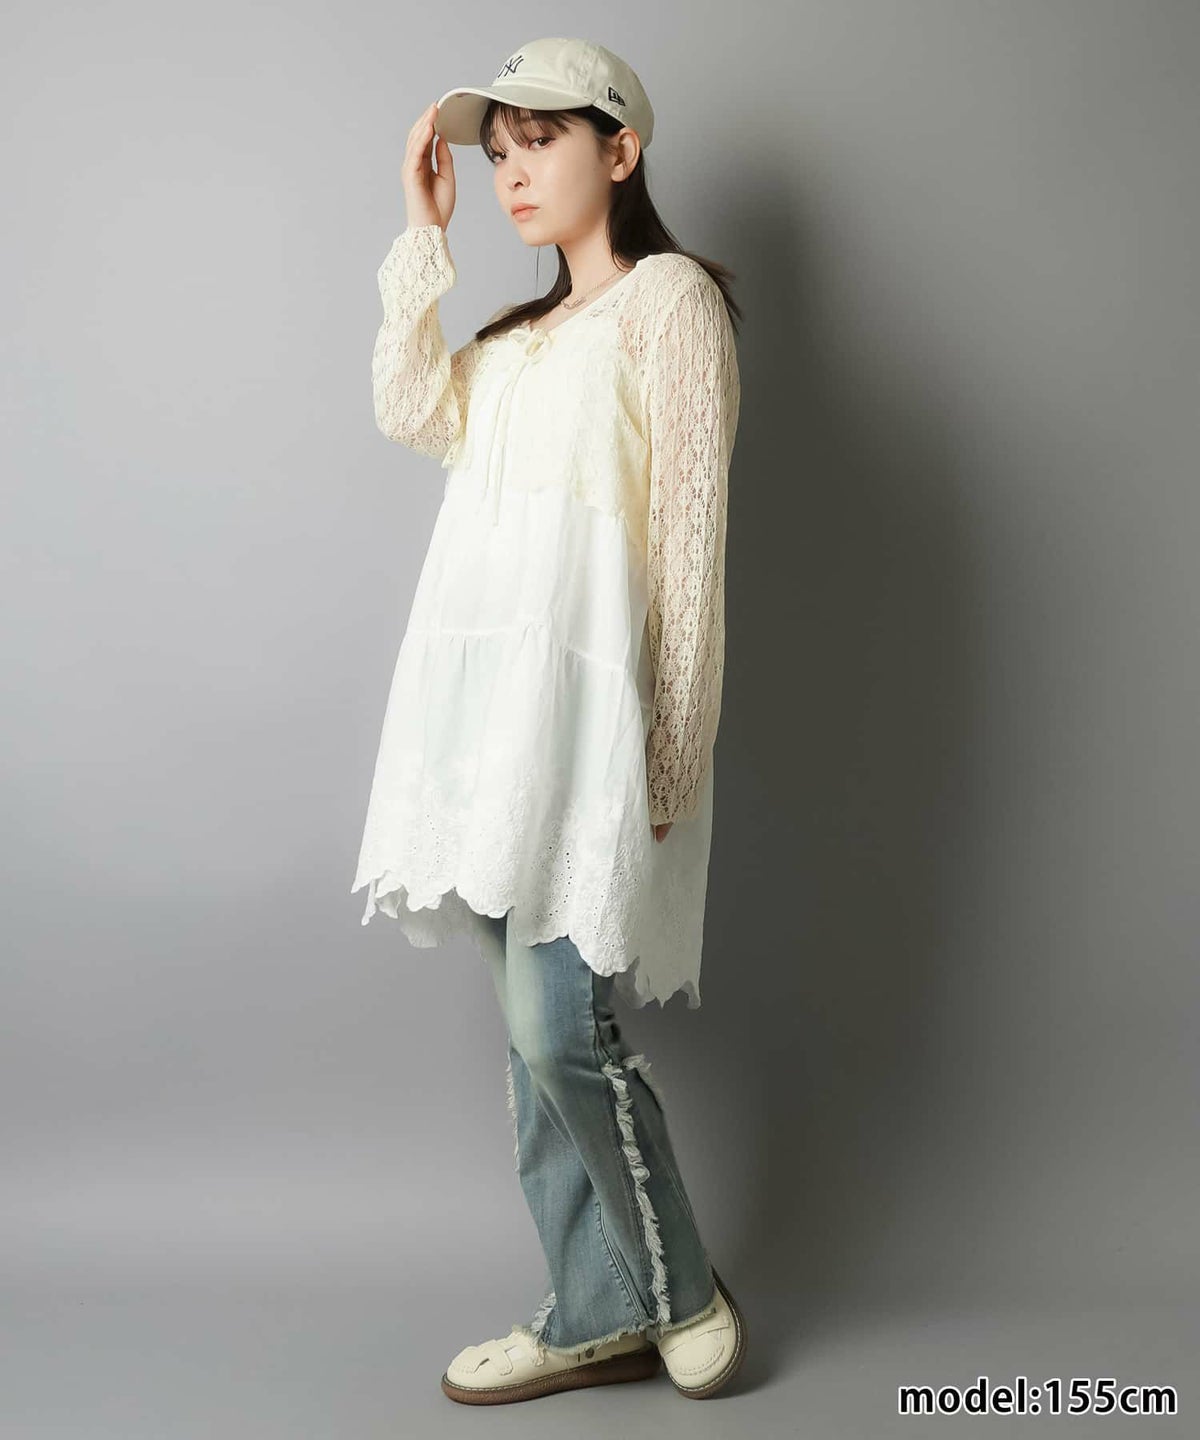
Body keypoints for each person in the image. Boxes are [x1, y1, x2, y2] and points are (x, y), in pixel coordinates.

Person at [350, 37, 746, 1404]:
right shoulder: (519, 341)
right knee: (530, 1045)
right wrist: (425, 231)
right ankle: (591, 1307)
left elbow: (689, 542)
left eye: (541, 144)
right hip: (484, 728)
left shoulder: (669, 304)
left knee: (558, 1030)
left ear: (620, 151)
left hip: (587, 723)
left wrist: (673, 755)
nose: (512, 174)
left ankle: (677, 1288)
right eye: (497, 153)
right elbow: (409, 406)